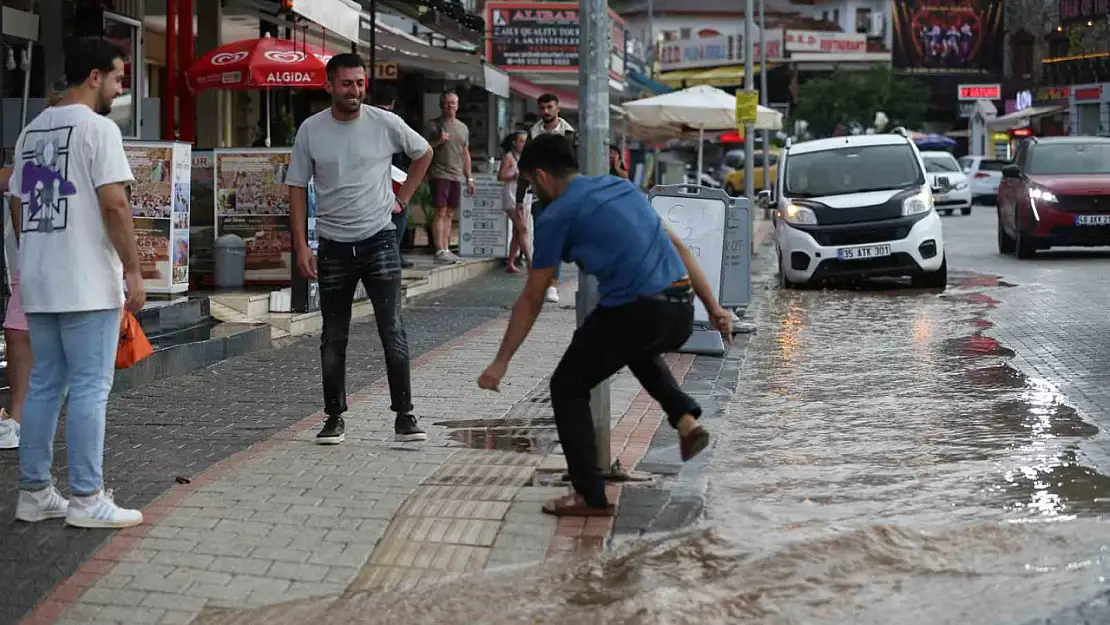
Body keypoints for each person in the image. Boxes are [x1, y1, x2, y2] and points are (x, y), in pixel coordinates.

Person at [478, 134, 732, 517]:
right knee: (634, 348)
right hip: (680, 307)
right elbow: (678, 245)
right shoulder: (620, 186)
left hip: (638, 309)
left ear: (543, 176)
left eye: (530, 184)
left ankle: (590, 495)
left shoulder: (556, 216)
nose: (532, 194)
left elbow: (532, 298)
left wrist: (501, 361)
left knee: (567, 385)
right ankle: (683, 419)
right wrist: (714, 308)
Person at [13, 37, 146, 528]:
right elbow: (114, 203)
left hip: (41, 278)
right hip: (87, 279)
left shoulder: (31, 131)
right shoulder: (98, 129)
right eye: (115, 78)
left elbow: (17, 203)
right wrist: (133, 268)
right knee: (91, 386)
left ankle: (35, 492)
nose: (117, 88)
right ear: (94, 77)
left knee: (47, 383)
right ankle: (88, 498)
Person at [286, 53, 433, 445]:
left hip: (380, 240)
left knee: (393, 330)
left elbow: (424, 153)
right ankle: (334, 416)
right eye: (347, 83)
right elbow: (297, 187)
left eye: (360, 83)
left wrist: (404, 197)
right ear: (330, 85)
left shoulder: (384, 124)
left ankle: (405, 415)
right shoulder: (311, 130)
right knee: (333, 335)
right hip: (333, 246)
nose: (355, 91)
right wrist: (302, 245)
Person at [0, 85, 62, 450]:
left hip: (74, 263)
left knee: (62, 343)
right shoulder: (34, 143)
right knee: (17, 332)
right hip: (36, 261)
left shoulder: (92, 142)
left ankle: (40, 418)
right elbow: (16, 189)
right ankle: (20, 419)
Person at [514, 93, 577, 304]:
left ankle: (552, 284)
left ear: (557, 108)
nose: (546, 112)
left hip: (562, 194)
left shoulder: (569, 134)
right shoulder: (533, 134)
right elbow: (525, 167)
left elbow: (576, 166)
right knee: (540, 240)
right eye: (543, 108)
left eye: (550, 107)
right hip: (538, 195)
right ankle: (541, 282)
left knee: (556, 239)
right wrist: (519, 199)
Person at [425, 91, 474, 265]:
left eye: (453, 103)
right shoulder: (433, 125)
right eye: (446, 103)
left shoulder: (463, 128)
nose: (450, 106)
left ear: (458, 105)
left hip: (456, 174)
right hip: (439, 173)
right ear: (441, 105)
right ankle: (439, 249)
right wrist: (439, 141)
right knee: (441, 211)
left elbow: (465, 153)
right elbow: (423, 148)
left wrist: (469, 178)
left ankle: (446, 248)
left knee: (450, 213)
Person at [371, 84, 414, 269]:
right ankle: (393, 253)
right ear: (393, 102)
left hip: (368, 174)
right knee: (399, 212)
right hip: (392, 175)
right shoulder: (394, 121)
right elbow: (418, 151)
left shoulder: (366, 118)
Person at [498, 130, 531, 274]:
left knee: (518, 231)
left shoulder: (528, 157)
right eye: (521, 141)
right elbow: (501, 176)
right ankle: (530, 261)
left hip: (525, 196)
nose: (524, 144)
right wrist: (515, 176)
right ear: (514, 143)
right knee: (523, 228)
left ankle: (510, 262)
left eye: (526, 141)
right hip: (512, 195)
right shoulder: (509, 157)